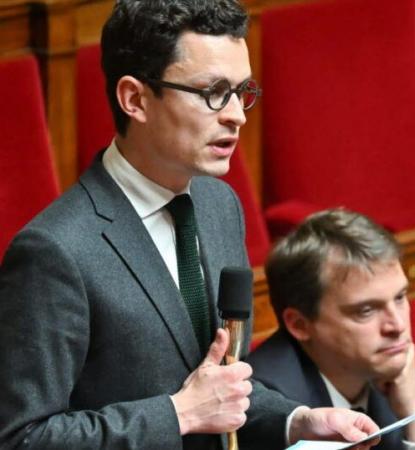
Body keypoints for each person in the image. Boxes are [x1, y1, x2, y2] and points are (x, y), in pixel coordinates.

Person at [0, 1, 379, 449]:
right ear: (135, 99)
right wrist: (177, 413)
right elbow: (22, 438)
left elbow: (221, 385)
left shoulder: (220, 207)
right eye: (214, 92)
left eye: (242, 91)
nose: (236, 114)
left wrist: (296, 421)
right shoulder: (56, 251)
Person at [248, 209, 415, 450]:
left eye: (399, 297)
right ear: (299, 324)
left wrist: (414, 414)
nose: (397, 325)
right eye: (366, 310)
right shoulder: (262, 412)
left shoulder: (400, 378)